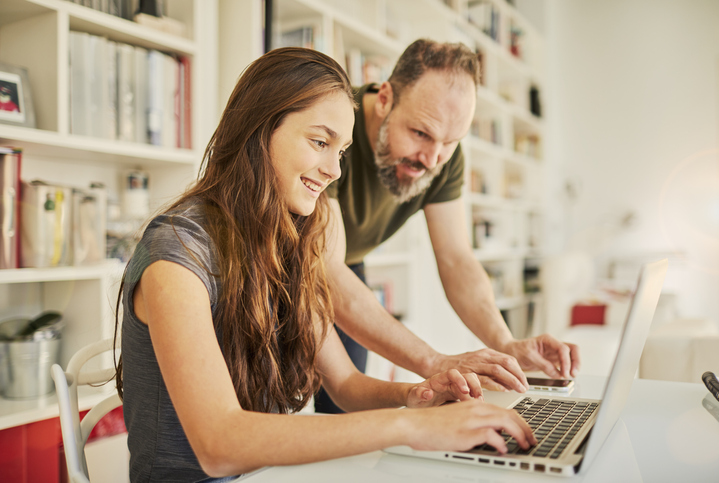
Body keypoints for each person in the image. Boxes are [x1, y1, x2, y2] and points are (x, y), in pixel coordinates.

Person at [113, 47, 536, 482]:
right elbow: (219, 445)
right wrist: (412, 426)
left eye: (343, 150)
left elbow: (347, 385)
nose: (335, 169)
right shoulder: (177, 253)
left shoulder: (290, 246)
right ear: (259, 129)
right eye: (320, 142)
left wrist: (421, 396)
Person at [316, 39, 581, 414]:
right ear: (386, 97)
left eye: (450, 142)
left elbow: (457, 259)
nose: (432, 158)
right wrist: (434, 362)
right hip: (288, 264)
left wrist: (504, 344)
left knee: (342, 410)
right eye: (420, 134)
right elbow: (325, 271)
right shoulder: (340, 125)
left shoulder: (442, 155)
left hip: (348, 267)